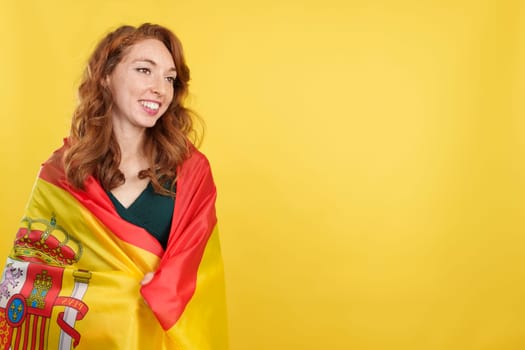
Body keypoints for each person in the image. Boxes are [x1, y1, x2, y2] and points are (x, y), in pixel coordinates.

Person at [0, 23, 228, 349]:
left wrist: (161, 290)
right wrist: (115, 298)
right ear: (106, 76)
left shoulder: (192, 172)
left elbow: (200, 272)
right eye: (144, 70)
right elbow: (30, 272)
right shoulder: (63, 173)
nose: (159, 88)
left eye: (169, 78)